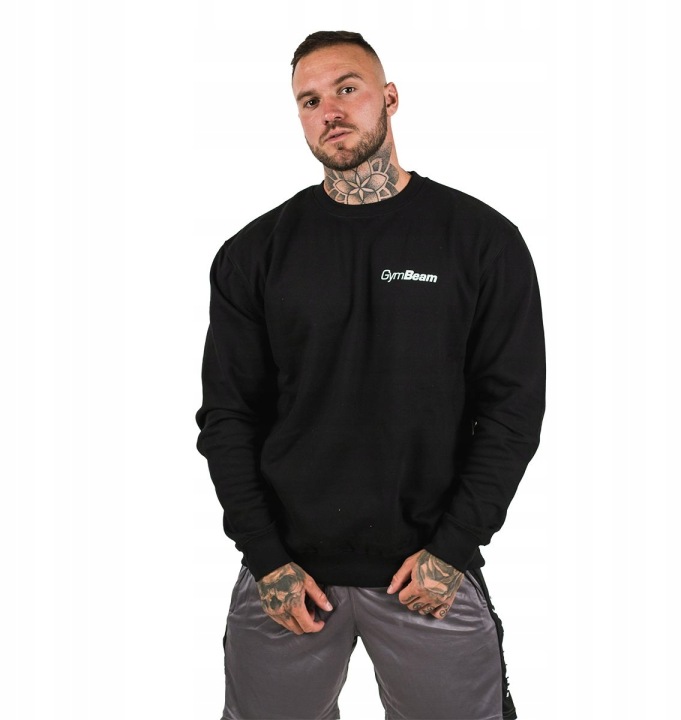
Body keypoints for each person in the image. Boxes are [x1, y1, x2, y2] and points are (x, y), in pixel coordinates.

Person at [195, 30, 545, 720]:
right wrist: (266, 557)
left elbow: (511, 411)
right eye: (309, 100)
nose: (329, 110)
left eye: (347, 88)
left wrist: (453, 549)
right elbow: (228, 417)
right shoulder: (254, 253)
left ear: (389, 97)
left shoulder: (480, 241)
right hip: (287, 580)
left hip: (428, 575)